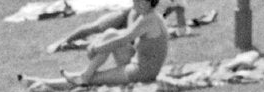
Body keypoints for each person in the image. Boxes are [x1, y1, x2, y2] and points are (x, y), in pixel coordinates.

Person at [23, 0, 169, 91]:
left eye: (135, 1)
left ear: (144, 2)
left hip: (141, 72)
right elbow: (122, 36)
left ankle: (39, 83)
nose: (133, 4)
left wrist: (96, 48)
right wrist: (99, 41)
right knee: (111, 33)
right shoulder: (150, 16)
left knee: (95, 79)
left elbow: (123, 39)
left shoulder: (148, 20)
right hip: (140, 65)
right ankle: (84, 76)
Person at [46, 0, 188, 53]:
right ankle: (63, 41)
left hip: (143, 22)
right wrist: (131, 27)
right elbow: (134, 9)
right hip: (128, 14)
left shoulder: (179, 3)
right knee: (97, 27)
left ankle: (76, 46)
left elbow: (182, 28)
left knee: (114, 39)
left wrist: (171, 32)